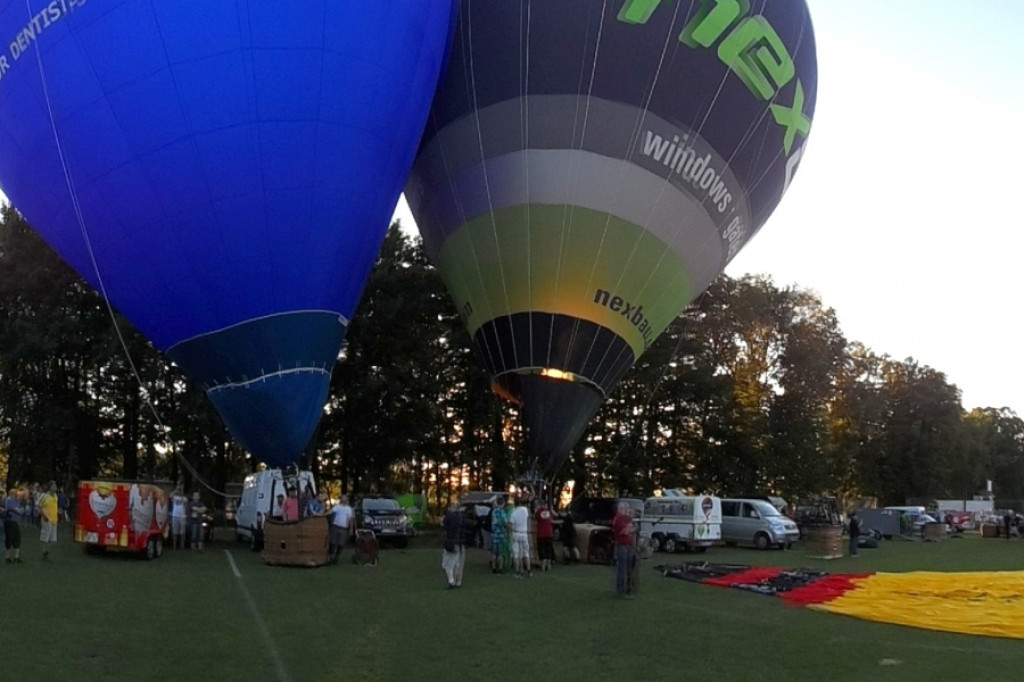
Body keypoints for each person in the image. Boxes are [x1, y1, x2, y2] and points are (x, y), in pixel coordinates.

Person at [611, 501, 635, 598]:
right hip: (621, 546)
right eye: (625, 509)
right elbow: (624, 531)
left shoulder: (625, 519)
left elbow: (632, 529)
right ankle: (620, 591)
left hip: (627, 545)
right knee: (622, 569)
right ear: (620, 509)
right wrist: (629, 528)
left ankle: (627, 588)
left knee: (628, 568)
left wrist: (629, 528)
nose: (627, 511)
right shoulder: (618, 519)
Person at [441, 502, 465, 589]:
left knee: (447, 564)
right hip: (458, 542)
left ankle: (451, 581)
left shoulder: (449, 517)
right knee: (457, 563)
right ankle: (457, 581)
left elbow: (443, 524)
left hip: (450, 541)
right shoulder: (460, 518)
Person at [326, 495, 353, 564]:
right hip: (335, 526)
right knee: (333, 542)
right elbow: (330, 512)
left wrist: (351, 529)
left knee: (341, 544)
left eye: (345, 499)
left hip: (344, 528)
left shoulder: (348, 509)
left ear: (347, 500)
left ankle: (337, 557)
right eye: (343, 498)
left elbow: (350, 519)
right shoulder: (337, 507)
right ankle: (330, 557)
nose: (344, 500)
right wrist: (323, 514)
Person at [509, 496, 532, 577]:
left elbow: (511, 526)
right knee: (526, 553)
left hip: (516, 533)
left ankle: (517, 572)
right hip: (524, 533)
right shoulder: (525, 510)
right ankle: (529, 571)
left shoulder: (513, 512)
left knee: (516, 554)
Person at [38, 481, 59, 561]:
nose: (55, 487)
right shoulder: (44, 496)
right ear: (50, 487)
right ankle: (44, 554)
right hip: (47, 519)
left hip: (54, 520)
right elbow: (39, 506)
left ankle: (46, 552)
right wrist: (44, 516)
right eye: (54, 486)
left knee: (54, 540)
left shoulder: (56, 496)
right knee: (45, 538)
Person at [490, 496, 510, 574]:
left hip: (494, 534)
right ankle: (500, 568)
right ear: (503, 503)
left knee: (494, 553)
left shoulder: (494, 511)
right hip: (501, 534)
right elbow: (505, 523)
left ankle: (494, 567)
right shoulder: (503, 512)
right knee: (500, 553)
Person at [535, 500, 555, 572]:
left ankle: (543, 566)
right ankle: (548, 565)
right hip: (549, 533)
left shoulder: (538, 512)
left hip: (541, 534)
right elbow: (552, 520)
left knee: (542, 549)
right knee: (549, 549)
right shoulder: (549, 512)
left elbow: (536, 518)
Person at [4, 488, 23, 563]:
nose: (16, 494)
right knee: (9, 538)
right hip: (10, 521)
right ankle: (7, 556)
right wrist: (18, 511)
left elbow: (21, 508)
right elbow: (12, 509)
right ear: (11, 493)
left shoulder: (16, 501)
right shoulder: (9, 500)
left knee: (17, 538)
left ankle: (16, 556)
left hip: (15, 522)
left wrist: (19, 510)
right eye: (15, 493)